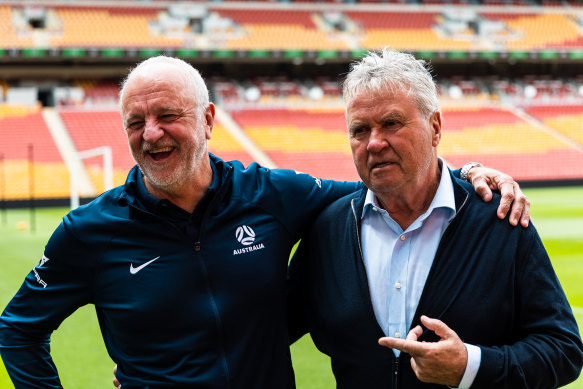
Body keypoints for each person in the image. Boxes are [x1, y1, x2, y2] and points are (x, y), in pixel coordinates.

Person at [0, 56, 528, 389]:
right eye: (136, 122)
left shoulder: (272, 194)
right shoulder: (87, 232)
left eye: (168, 116)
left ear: (208, 120)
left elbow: (382, 183)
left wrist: (467, 173)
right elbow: (18, 331)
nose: (151, 134)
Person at [287, 48, 583, 389]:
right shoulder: (327, 230)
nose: (374, 143)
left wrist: (470, 367)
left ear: (435, 127)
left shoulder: (501, 221)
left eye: (391, 123)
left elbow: (563, 350)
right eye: (359, 130)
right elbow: (263, 333)